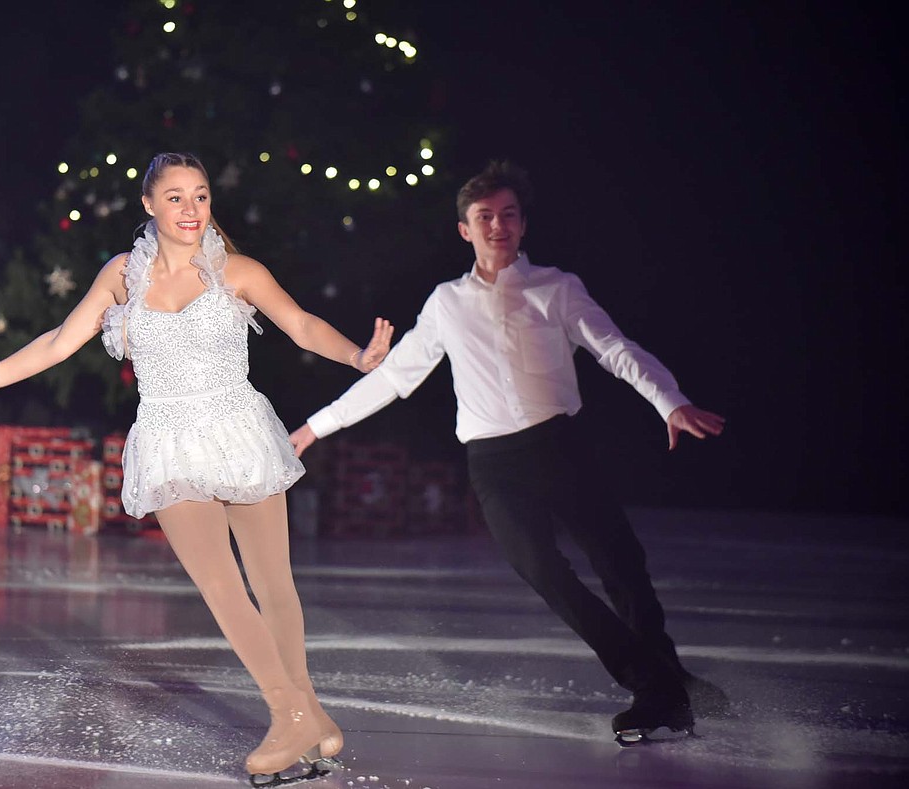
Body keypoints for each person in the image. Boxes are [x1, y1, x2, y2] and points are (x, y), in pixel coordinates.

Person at [0, 152, 394, 781]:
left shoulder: (237, 270)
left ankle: (309, 717)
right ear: (150, 205)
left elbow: (301, 324)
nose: (191, 209)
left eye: (202, 196)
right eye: (176, 197)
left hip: (239, 432)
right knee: (220, 586)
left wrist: (356, 356)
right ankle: (291, 715)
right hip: (170, 441)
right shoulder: (121, 275)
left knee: (274, 584)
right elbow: (57, 341)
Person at [288, 160, 729, 745]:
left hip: (560, 446)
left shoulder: (557, 288)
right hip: (495, 463)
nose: (498, 225)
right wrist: (314, 428)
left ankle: (664, 685)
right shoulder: (447, 303)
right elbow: (394, 378)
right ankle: (657, 681)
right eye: (484, 217)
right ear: (465, 230)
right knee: (541, 568)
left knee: (622, 566)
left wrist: (667, 401)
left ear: (522, 225)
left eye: (508, 215)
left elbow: (616, 351)